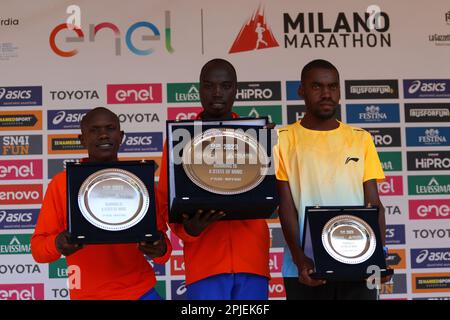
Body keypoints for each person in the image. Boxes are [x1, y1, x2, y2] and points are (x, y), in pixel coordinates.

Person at [274, 59, 390, 300]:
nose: (326, 93)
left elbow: (374, 204)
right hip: (308, 268)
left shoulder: (361, 139)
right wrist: (299, 259)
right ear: (301, 90)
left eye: (333, 87)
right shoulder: (282, 140)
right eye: (317, 86)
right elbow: (286, 207)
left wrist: (378, 254)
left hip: (358, 265)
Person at [157, 58, 270, 300]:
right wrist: (189, 230)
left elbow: (274, 194)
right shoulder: (179, 140)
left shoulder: (259, 137)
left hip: (253, 263)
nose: (217, 93)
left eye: (225, 85)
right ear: (199, 88)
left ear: (235, 89)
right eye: (209, 86)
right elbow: (167, 202)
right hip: (204, 266)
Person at [31, 107, 172, 300]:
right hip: (87, 295)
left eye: (110, 128)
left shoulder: (139, 182)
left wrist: (160, 248)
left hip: (141, 292)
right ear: (82, 139)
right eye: (94, 130)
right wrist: (57, 244)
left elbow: (163, 249)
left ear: (121, 136)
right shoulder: (61, 184)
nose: (103, 135)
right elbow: (38, 251)